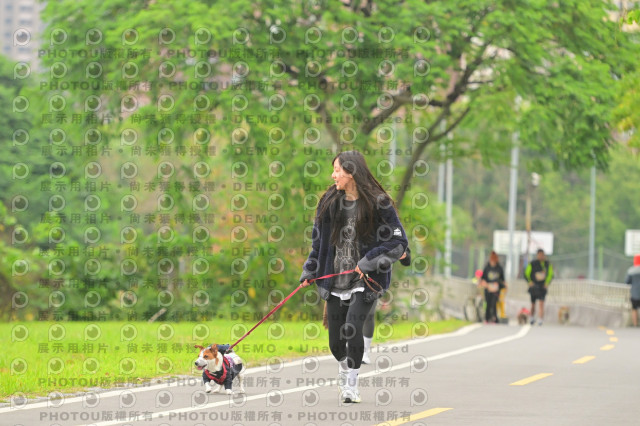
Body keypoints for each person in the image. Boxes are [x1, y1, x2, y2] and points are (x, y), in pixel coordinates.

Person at [300, 150, 408, 404]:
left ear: (351, 172)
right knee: (336, 343)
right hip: (334, 278)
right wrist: (310, 270)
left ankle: (351, 385)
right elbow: (318, 243)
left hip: (366, 280)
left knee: (352, 326)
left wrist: (368, 262)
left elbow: (398, 242)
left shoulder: (379, 203)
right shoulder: (329, 202)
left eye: (337, 170)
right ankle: (344, 368)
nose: (333, 175)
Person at [360, 247, 411, 365]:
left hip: (373, 277)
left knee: (368, 314)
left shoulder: (389, 234)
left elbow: (405, 255)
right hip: (350, 274)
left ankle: (364, 352)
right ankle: (347, 346)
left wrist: (404, 255)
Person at [524, 249, 553, 326]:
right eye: (539, 255)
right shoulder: (533, 263)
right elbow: (526, 273)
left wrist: (547, 283)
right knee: (533, 304)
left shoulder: (547, 264)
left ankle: (540, 319)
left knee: (541, 303)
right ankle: (532, 317)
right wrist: (530, 282)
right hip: (534, 286)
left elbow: (550, 274)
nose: (541, 256)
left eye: (542, 255)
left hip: (542, 287)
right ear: (537, 255)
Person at [480, 251, 506, 323]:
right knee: (488, 303)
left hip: (496, 289)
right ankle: (487, 318)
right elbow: (483, 279)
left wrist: (502, 285)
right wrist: (486, 285)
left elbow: (502, 279)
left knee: (494, 303)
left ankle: (494, 318)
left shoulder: (499, 268)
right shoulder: (487, 268)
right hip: (488, 289)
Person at [624, 254, 640, 327]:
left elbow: (627, 281)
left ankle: (635, 324)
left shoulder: (631, 271)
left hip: (634, 294)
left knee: (634, 309)